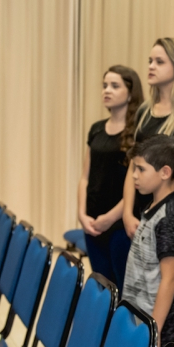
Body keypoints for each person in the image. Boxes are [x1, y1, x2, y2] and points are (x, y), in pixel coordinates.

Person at [122, 37, 174, 238]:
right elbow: (134, 165)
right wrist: (127, 213)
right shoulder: (144, 111)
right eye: (150, 61)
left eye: (159, 62)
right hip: (142, 211)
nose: (151, 66)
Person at [77, 65, 143, 291]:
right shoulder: (96, 129)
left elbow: (137, 185)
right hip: (93, 222)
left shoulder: (138, 133)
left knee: (121, 289)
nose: (107, 90)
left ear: (130, 93)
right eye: (105, 85)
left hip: (119, 224)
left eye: (115, 86)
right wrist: (82, 214)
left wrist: (110, 218)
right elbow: (85, 177)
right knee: (101, 288)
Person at [122, 134, 174, 347]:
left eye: (141, 169)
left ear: (165, 172)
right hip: (141, 318)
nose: (134, 175)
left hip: (161, 328)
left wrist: (155, 330)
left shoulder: (168, 217)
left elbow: (169, 279)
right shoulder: (153, 206)